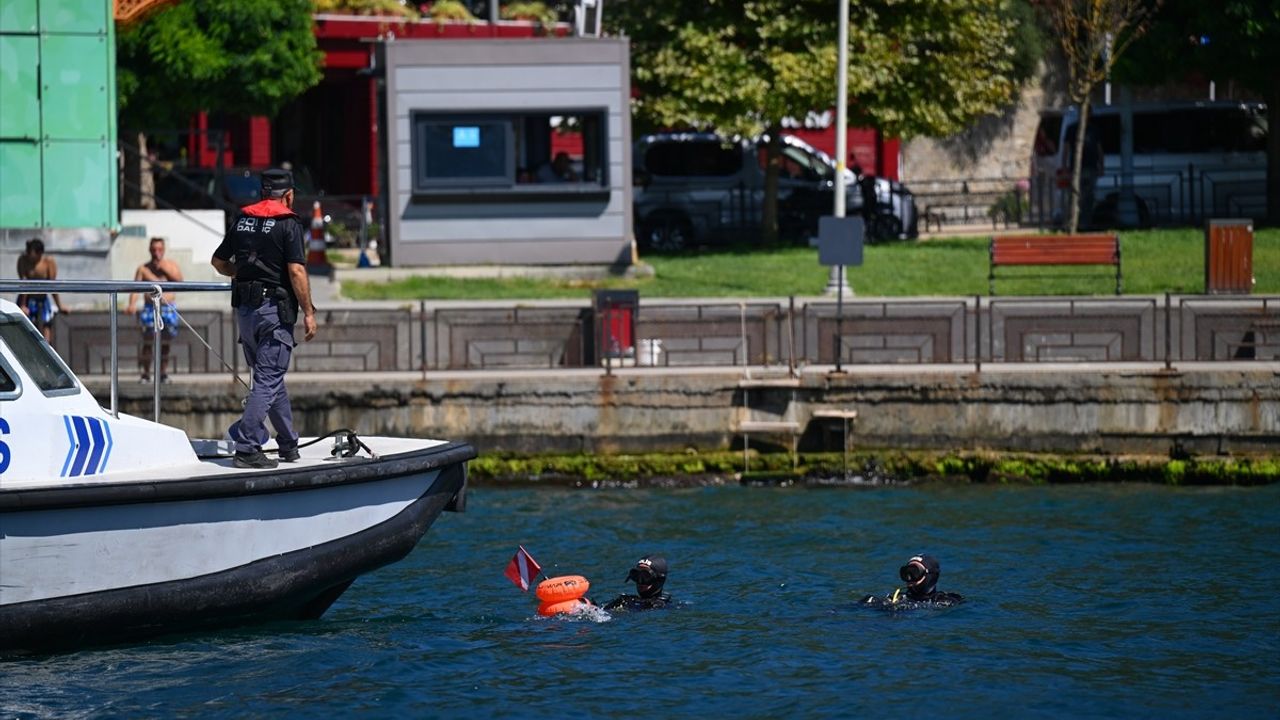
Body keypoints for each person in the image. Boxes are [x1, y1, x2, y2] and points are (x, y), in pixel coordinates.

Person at [211, 168, 318, 469]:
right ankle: (247, 447)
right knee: (268, 380)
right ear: (288, 195)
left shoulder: (242, 219)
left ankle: (288, 443)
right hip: (273, 312)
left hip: (246, 313)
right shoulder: (288, 223)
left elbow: (218, 262)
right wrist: (309, 312)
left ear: (262, 193)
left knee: (270, 378)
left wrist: (242, 273)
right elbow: (296, 271)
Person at [126, 237, 184, 382]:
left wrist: (163, 268)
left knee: (166, 343)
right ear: (150, 250)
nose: (156, 252)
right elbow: (135, 289)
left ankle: (163, 373)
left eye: (159, 249)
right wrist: (132, 304)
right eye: (154, 249)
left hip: (168, 308)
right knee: (147, 342)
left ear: (163, 250)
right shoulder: (143, 269)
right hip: (150, 309)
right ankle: (146, 373)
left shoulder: (171, 265)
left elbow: (180, 281)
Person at [15, 238, 70, 342]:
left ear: (40, 253)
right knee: (25, 328)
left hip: (42, 299)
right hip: (27, 299)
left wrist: (59, 305)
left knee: (46, 326)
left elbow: (52, 285)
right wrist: (23, 305)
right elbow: (24, 283)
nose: (31, 257)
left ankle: (46, 347)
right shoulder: (23, 260)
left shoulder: (48, 262)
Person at [861, 554, 963, 609]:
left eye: (914, 572)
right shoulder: (897, 599)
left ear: (930, 576)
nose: (909, 578)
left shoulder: (946, 601)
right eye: (906, 573)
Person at [601, 555, 672, 611]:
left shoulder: (663, 607)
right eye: (636, 575)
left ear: (659, 580)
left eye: (646, 576)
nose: (640, 581)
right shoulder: (626, 601)